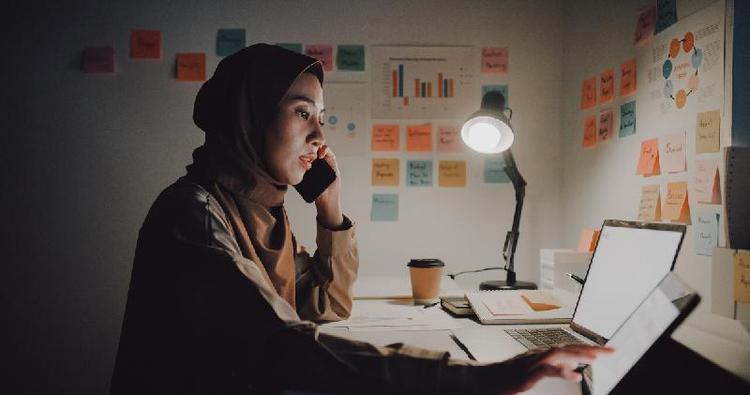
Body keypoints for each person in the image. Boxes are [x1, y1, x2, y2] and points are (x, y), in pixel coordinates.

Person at [111, 43, 611, 394]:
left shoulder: (265, 212)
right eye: (302, 112)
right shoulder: (194, 217)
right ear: (250, 115)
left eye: (322, 118)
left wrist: (330, 212)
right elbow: (284, 348)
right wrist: (478, 378)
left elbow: (327, 307)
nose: (319, 138)